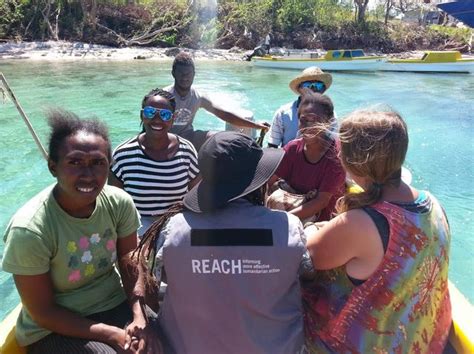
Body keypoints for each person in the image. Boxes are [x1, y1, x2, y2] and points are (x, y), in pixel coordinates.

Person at [131, 131, 307, 353]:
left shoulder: (174, 227)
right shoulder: (289, 226)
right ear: (257, 182)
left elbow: (152, 287)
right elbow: (306, 276)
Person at [1, 110, 160, 353]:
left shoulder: (119, 202)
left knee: (170, 338)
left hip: (114, 303)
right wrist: (111, 334)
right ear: (53, 167)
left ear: (110, 166)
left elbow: (130, 262)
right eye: (74, 162)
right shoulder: (30, 229)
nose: (88, 174)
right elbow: (43, 312)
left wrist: (140, 315)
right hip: (54, 327)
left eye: (98, 163)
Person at [304, 110, 451, 353]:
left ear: (351, 161)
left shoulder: (361, 222)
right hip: (422, 341)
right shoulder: (434, 204)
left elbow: (309, 256)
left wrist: (312, 227)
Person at [109, 88, 199, 236]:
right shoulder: (122, 154)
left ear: (173, 118)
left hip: (176, 224)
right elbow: (114, 203)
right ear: (142, 115)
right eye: (150, 112)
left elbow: (196, 195)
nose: (157, 120)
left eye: (164, 115)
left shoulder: (186, 151)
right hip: (136, 225)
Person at [164, 51, 269, 151]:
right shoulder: (164, 96)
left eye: (188, 73)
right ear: (173, 73)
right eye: (181, 73)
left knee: (217, 137)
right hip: (165, 138)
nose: (185, 77)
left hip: (188, 137)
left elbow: (224, 114)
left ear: (194, 74)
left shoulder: (198, 97)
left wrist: (256, 126)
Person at [267, 92, 345, 223]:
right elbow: (269, 180)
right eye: (303, 121)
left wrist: (280, 221)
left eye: (315, 121)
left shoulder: (336, 158)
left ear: (329, 122)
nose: (308, 126)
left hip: (320, 222)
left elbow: (321, 202)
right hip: (292, 213)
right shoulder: (292, 149)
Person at [268, 66, 333, 148]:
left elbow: (332, 145)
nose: (312, 88)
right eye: (307, 85)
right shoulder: (282, 113)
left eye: (318, 85)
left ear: (323, 89)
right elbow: (272, 145)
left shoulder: (331, 115)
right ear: (299, 89)